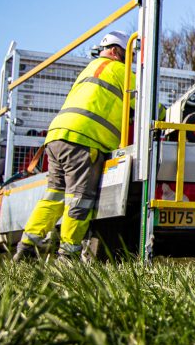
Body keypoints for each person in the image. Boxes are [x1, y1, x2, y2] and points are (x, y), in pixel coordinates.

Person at [14, 30, 133, 261]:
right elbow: (145, 102)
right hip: (83, 141)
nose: (130, 60)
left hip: (56, 137)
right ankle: (68, 255)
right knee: (80, 198)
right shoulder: (120, 71)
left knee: (54, 196)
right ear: (116, 51)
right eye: (128, 54)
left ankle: (26, 248)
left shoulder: (88, 70)